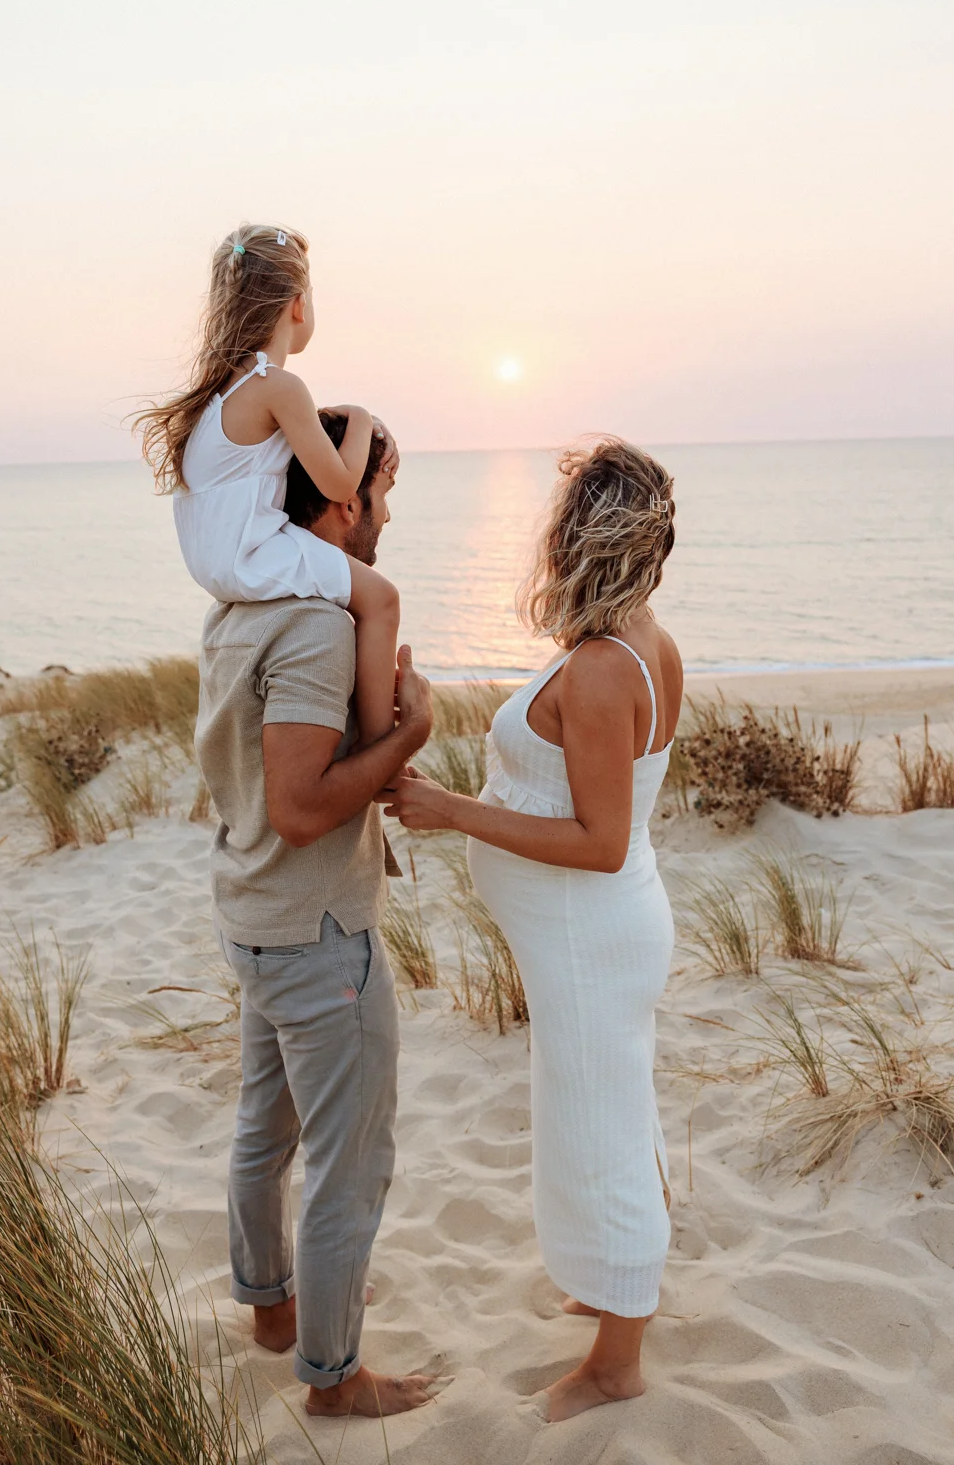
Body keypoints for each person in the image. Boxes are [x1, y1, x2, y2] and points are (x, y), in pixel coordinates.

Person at [383, 436, 681, 1424]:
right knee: (593, 1110)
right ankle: (603, 1285)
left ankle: (615, 1363)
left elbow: (597, 839)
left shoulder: (602, 668)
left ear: (576, 536)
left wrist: (452, 810)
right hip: (592, 932)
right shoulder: (637, 636)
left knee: (600, 1127)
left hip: (589, 928)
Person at [192, 413, 436, 1419]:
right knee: (350, 1160)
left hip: (252, 916)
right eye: (381, 489)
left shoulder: (239, 602)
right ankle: (334, 1379)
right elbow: (301, 808)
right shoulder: (315, 624)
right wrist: (411, 730)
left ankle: (273, 1308)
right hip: (317, 935)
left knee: (267, 1127)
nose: (387, 510)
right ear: (342, 500)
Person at [135, 223, 400, 747]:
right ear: (298, 306)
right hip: (252, 557)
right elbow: (340, 483)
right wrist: (364, 416)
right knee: (382, 599)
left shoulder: (218, 392)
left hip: (219, 565)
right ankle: (379, 745)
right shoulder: (276, 386)